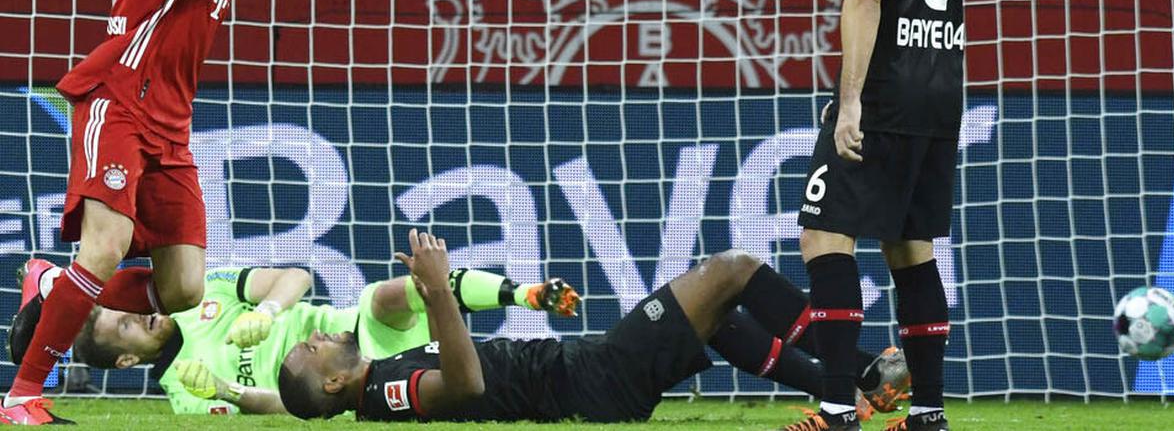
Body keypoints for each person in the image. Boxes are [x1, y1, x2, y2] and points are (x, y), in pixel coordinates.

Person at [0, 0, 420, 426]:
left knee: (184, 290)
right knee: (106, 248)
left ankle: (49, 289)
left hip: (168, 125)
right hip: (119, 101)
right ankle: (21, 396)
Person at [795, 0, 978, 431]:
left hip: (889, 88)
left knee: (823, 233)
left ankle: (839, 409)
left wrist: (849, 99)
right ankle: (926, 414)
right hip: (941, 83)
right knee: (910, 245)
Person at [276, 230, 909, 423]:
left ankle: (842, 390)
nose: (317, 336)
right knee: (732, 270)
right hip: (591, 382)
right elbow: (465, 384)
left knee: (712, 317)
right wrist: (439, 291)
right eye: (311, 349)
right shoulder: (385, 394)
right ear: (332, 387)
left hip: (586, 375)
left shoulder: (381, 370)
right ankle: (853, 376)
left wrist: (456, 292)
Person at [8, 258, 578, 414]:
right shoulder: (186, 390)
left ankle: (521, 294)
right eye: (129, 327)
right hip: (348, 382)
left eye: (126, 311)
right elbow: (276, 407)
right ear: (129, 360)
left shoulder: (191, 296)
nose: (143, 317)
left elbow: (296, 275)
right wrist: (231, 396)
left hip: (348, 337)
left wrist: (274, 310)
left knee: (384, 295)